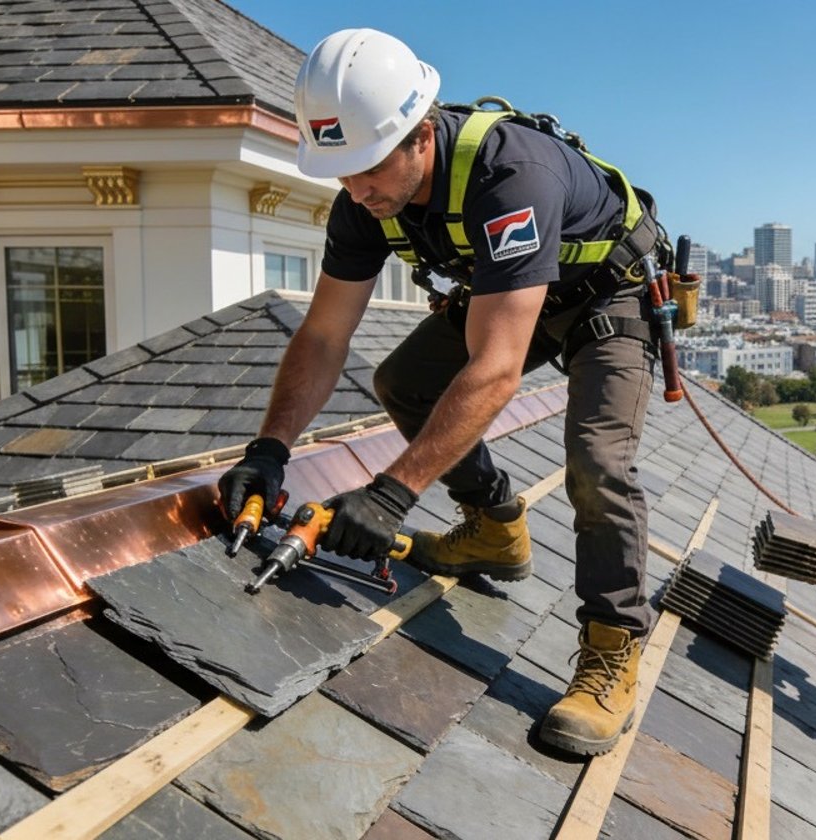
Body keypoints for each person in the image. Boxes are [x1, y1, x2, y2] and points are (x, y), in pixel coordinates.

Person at [217, 29, 667, 757]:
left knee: (597, 461)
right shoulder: (361, 199)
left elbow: (496, 367)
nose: (355, 191)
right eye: (340, 174)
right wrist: (269, 451)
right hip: (516, 288)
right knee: (404, 382)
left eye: (365, 168)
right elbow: (325, 336)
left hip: (605, 296)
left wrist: (393, 493)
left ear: (421, 136)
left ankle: (613, 646)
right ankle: (493, 526)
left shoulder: (509, 178)